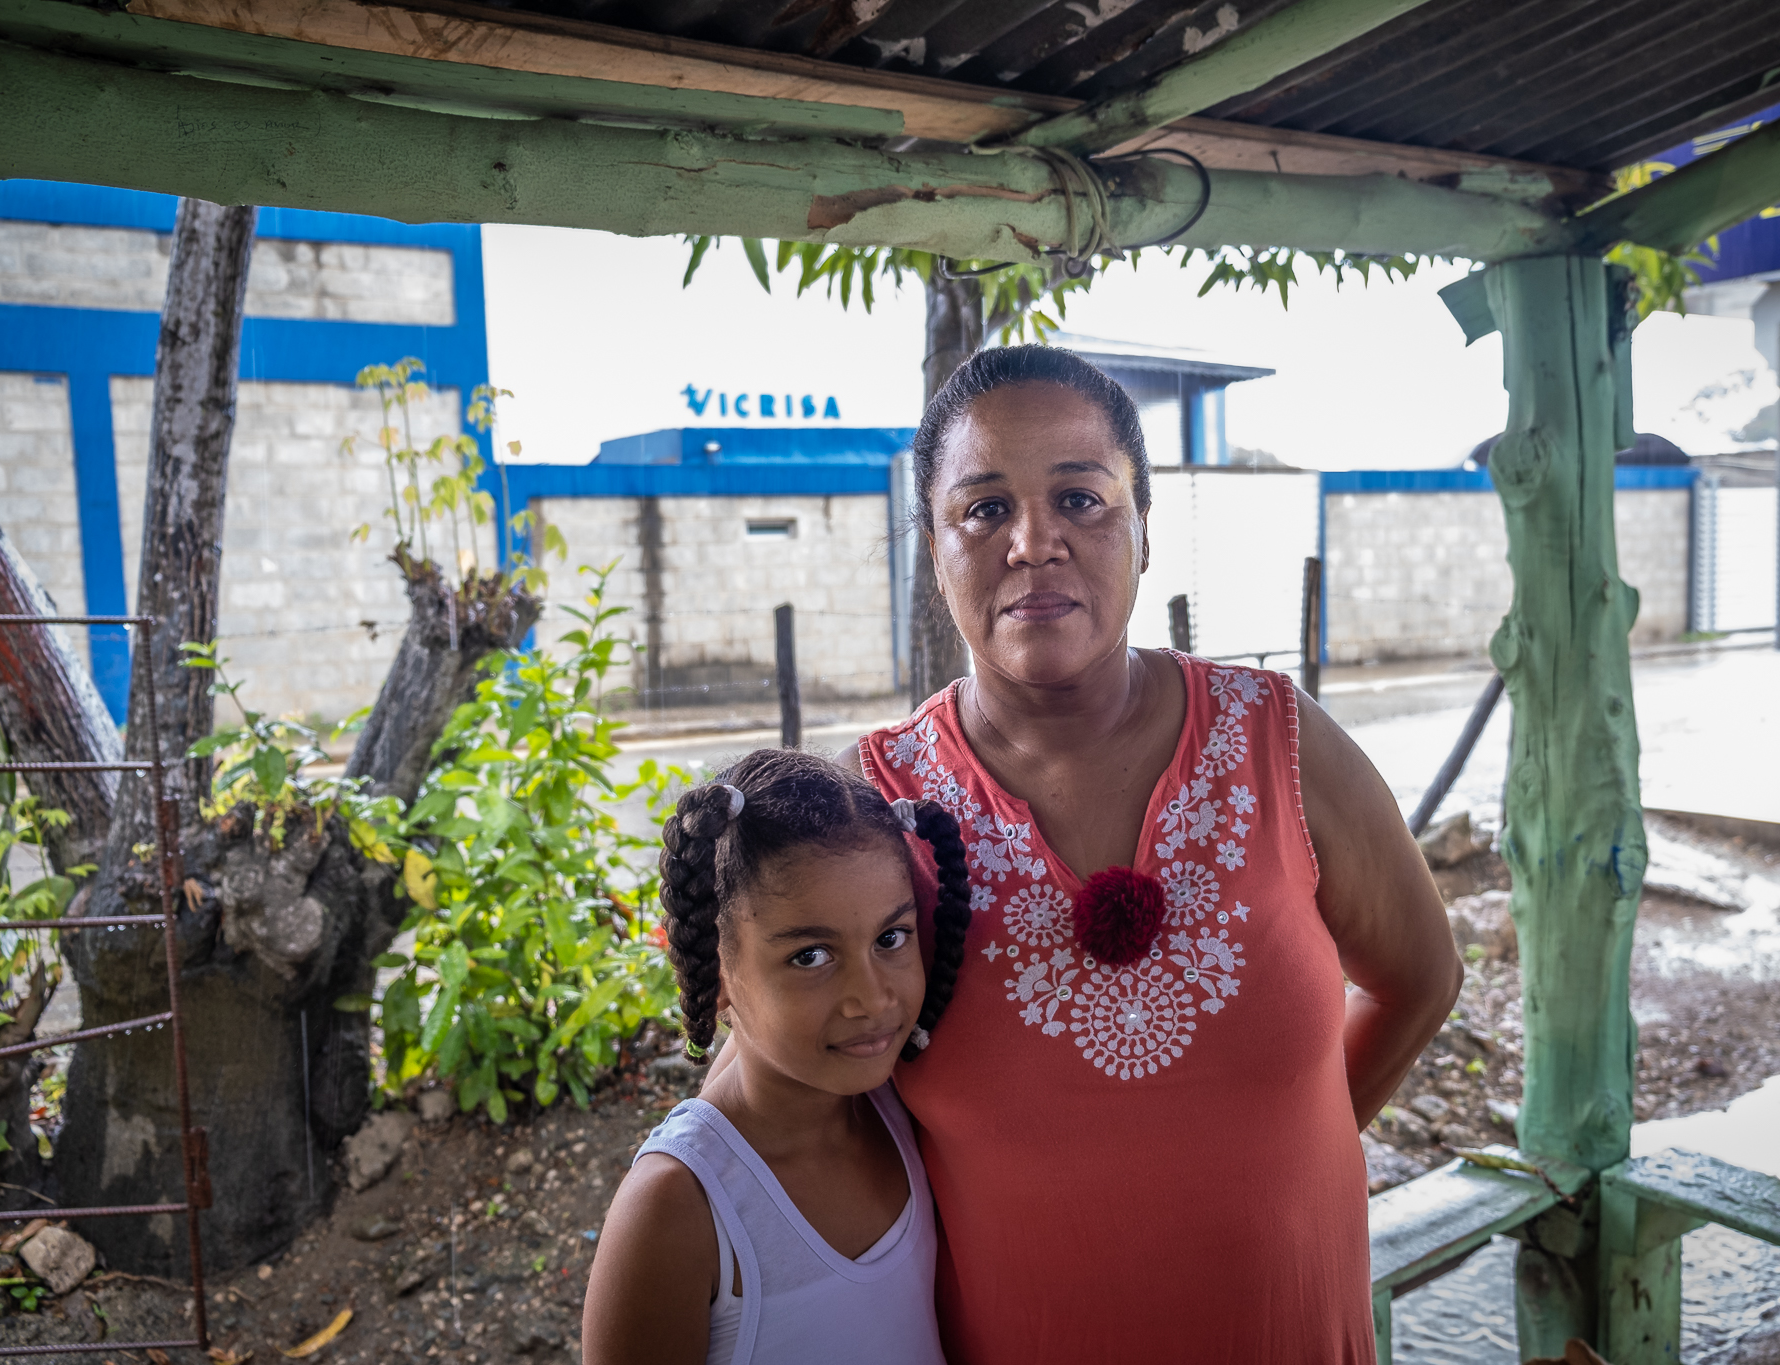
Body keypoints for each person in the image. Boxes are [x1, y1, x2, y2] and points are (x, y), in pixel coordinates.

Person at [852, 345, 1465, 1363]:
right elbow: (781, 1100)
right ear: (932, 545)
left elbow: (1418, 979)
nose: (1034, 543)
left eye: (1081, 500)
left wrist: (1282, 1160)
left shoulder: (1280, 742)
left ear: (1143, 531)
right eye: (984, 509)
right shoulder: (872, 810)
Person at [581, 749, 973, 1365]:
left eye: (890, 938)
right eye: (810, 956)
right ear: (717, 974)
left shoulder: (896, 1106)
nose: (871, 999)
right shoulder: (677, 1212)